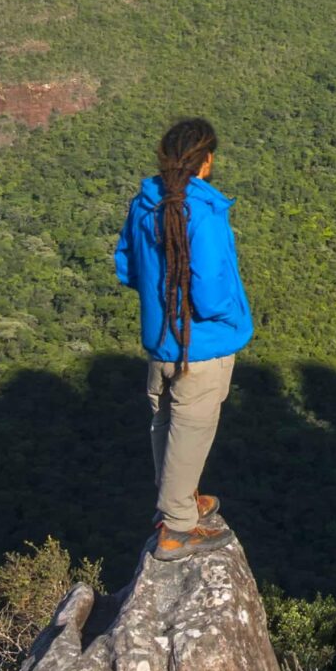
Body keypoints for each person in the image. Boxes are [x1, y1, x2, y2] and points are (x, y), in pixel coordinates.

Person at [115, 116, 253, 559]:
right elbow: (211, 293)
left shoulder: (145, 203)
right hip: (203, 344)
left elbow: (126, 267)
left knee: (165, 421)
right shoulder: (203, 212)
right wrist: (233, 315)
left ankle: (180, 497)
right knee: (192, 427)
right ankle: (177, 528)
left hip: (161, 340)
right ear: (206, 161)